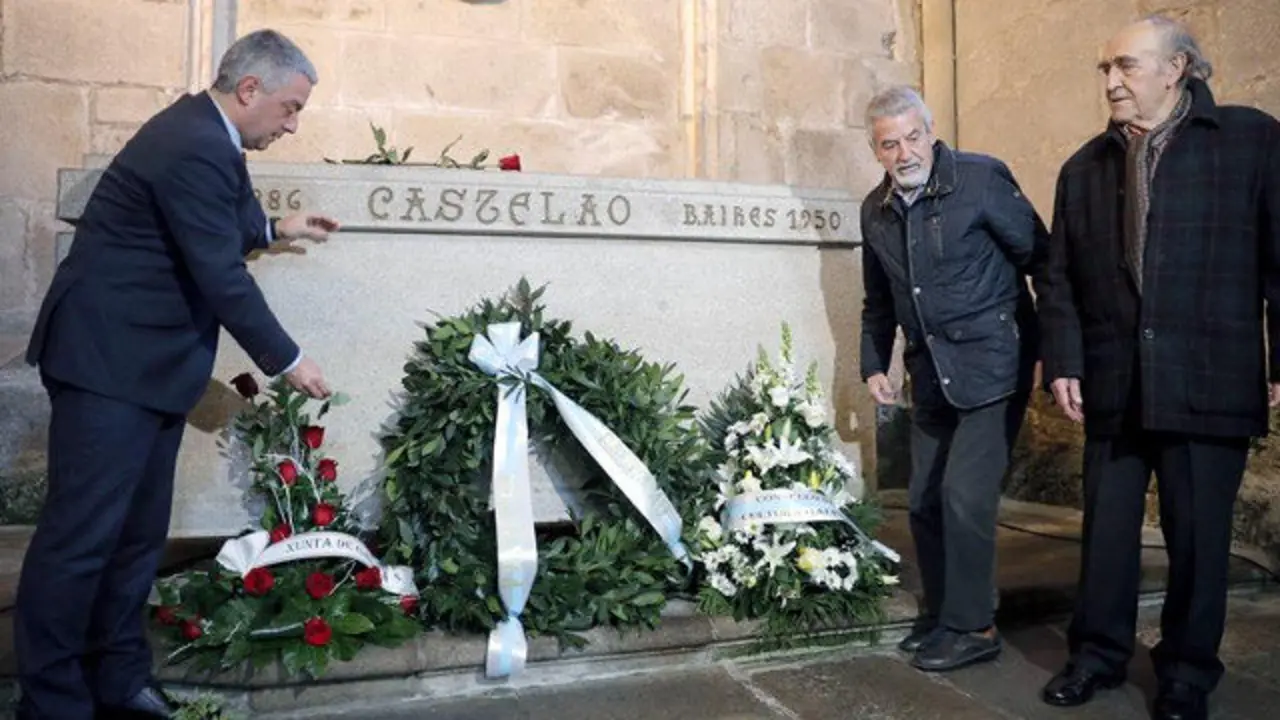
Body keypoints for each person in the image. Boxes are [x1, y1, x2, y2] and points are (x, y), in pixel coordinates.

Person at [15, 29, 339, 720]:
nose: (292, 124)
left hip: (148, 369)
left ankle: (119, 679)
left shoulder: (210, 135)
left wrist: (277, 224)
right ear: (249, 89)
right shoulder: (193, 141)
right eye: (289, 108)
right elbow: (220, 275)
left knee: (135, 540)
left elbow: (223, 220)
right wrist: (287, 360)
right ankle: (52, 700)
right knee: (78, 544)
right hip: (107, 365)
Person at [1036, 16, 1280, 720]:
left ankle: (1185, 674)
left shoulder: (1249, 140)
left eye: (1125, 66)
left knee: (1199, 539)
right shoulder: (1083, 166)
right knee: (1106, 535)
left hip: (1209, 372)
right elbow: (1058, 281)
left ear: (1176, 69)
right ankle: (1097, 656)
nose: (1111, 81)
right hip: (1114, 380)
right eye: (1104, 69)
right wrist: (1065, 361)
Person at [859, 86, 1048, 672]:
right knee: (922, 501)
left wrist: (1054, 351)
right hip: (930, 371)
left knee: (964, 496)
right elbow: (878, 301)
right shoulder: (875, 210)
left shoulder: (981, 180)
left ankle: (975, 625)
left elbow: (1044, 260)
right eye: (890, 144)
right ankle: (946, 614)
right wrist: (873, 363)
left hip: (994, 365)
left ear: (931, 131)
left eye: (914, 137)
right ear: (877, 150)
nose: (905, 152)